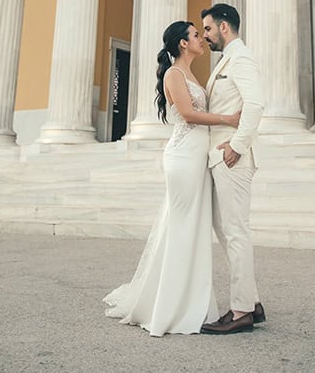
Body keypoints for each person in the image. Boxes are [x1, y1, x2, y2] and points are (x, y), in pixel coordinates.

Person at [103, 20, 240, 337]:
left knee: (192, 227)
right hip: (182, 157)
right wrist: (227, 119)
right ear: (182, 43)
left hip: (197, 155)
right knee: (182, 226)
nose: (201, 39)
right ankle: (169, 305)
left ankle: (191, 298)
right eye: (195, 35)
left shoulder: (192, 74)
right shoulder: (174, 74)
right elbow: (189, 115)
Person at [200, 3, 266, 335]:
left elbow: (254, 104)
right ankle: (250, 300)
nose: (206, 35)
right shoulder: (227, 60)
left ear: (224, 27)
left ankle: (240, 311)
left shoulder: (241, 58)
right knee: (226, 230)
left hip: (232, 159)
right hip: (220, 158)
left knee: (236, 232)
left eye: (208, 29)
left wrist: (238, 147)